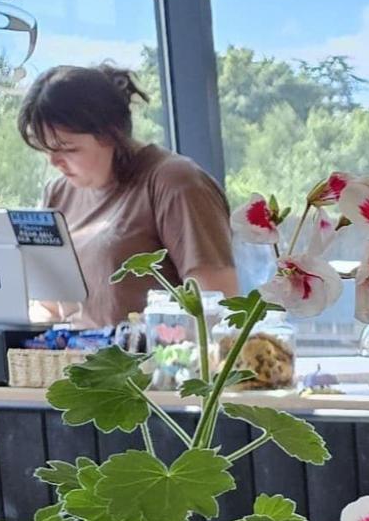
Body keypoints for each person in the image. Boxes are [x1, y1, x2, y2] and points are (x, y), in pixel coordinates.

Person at [21, 63, 236, 326]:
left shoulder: (175, 182)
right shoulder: (57, 195)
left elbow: (218, 305)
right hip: (74, 361)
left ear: (110, 134)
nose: (53, 162)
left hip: (151, 363)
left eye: (67, 148)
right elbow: (52, 309)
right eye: (45, 149)